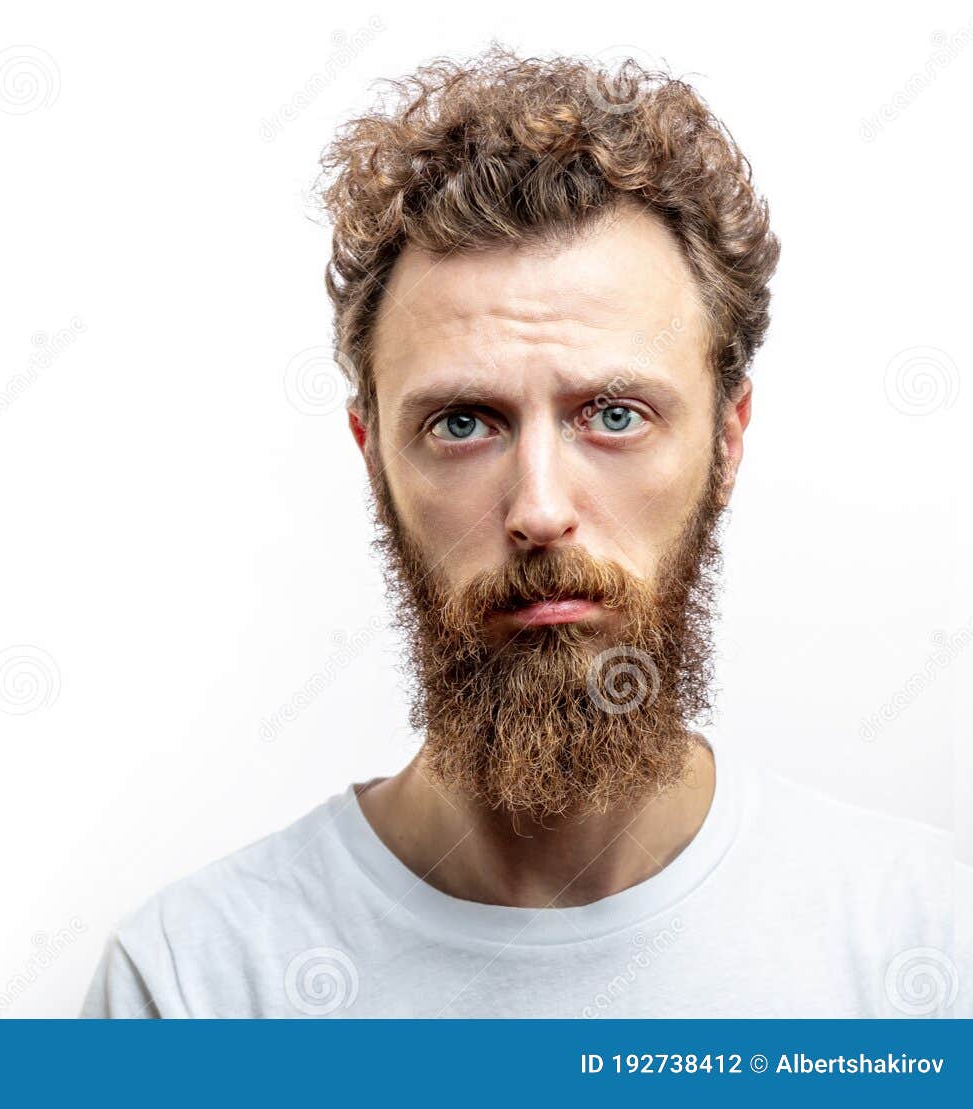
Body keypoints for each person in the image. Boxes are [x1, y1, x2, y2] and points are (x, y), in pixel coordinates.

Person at [79, 46, 969, 1018]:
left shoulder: (924, 944)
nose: (539, 508)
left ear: (727, 438)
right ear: (372, 454)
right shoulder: (194, 983)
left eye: (614, 414)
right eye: (463, 422)